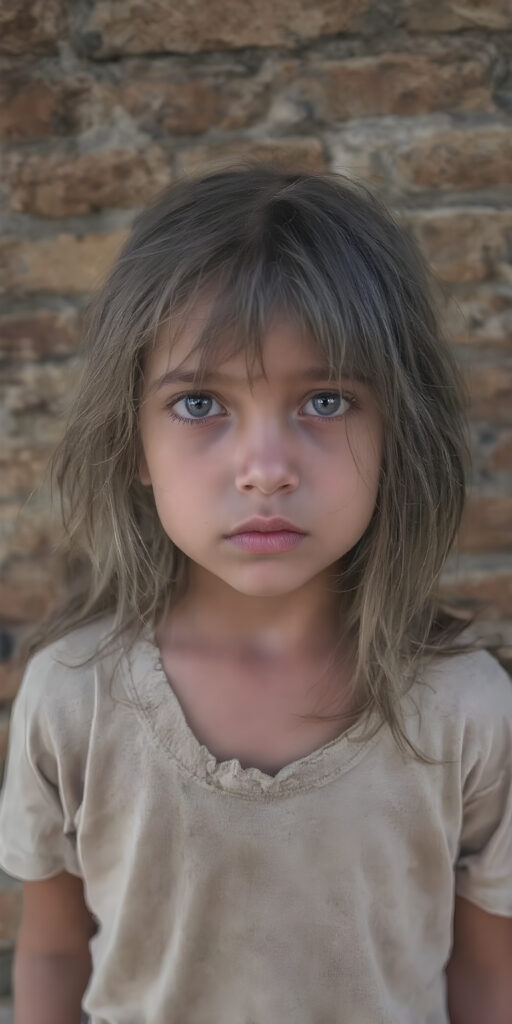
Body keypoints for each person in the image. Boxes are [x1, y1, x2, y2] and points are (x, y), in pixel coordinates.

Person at [0, 166, 511, 1024]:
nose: (266, 469)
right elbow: (53, 951)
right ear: (133, 440)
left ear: (398, 428)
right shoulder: (74, 697)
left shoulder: (465, 710)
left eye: (325, 399)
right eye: (200, 402)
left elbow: (487, 975)